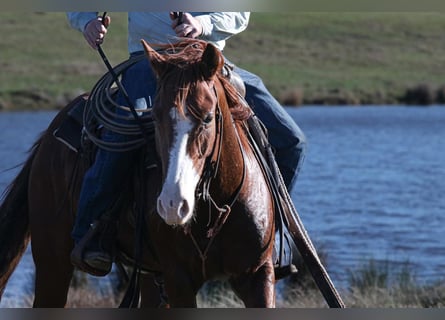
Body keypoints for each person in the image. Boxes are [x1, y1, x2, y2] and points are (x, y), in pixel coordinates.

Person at [66, 12, 306, 276]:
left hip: (207, 61)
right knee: (120, 136)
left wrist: (203, 24)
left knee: (291, 140)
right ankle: (90, 234)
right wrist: (87, 20)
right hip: (150, 62)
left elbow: (238, 13)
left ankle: (272, 236)